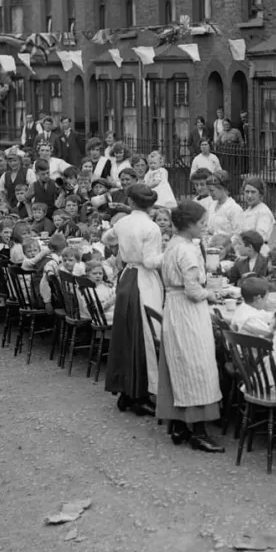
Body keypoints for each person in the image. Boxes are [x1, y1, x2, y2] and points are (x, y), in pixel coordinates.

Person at [157, 200, 225, 453]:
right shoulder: (186, 250)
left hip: (174, 307)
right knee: (197, 365)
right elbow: (194, 289)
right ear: (188, 224)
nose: (205, 227)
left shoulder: (174, 244)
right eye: (201, 223)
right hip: (188, 310)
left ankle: (179, 425)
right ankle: (198, 430)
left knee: (180, 362)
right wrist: (212, 294)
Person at [103, 184, 164, 415]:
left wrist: (122, 244)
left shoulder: (122, 222)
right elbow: (150, 262)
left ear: (130, 202)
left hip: (127, 277)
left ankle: (126, 392)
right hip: (143, 282)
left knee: (125, 335)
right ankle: (139, 394)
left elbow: (106, 238)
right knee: (144, 335)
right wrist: (169, 253)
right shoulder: (152, 227)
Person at [238, 177, 276, 248]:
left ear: (260, 194)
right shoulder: (248, 210)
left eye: (253, 192)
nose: (249, 195)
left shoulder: (263, 213)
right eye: (247, 191)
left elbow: (261, 238)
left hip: (258, 252)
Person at [206, 171, 242, 239]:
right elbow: (210, 230)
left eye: (212, 190)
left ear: (221, 188)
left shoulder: (234, 209)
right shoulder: (212, 206)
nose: (209, 194)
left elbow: (238, 235)